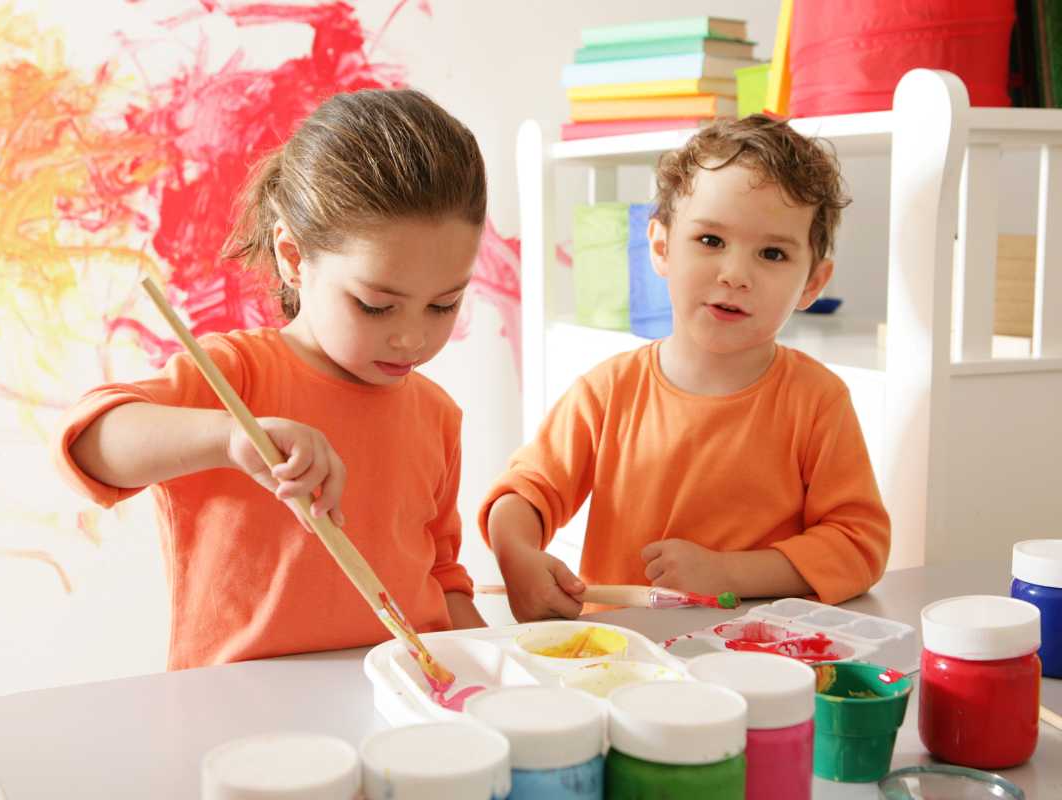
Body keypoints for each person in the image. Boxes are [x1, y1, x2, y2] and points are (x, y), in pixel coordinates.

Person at [54, 89, 487, 669]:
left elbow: (440, 572)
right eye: (376, 305)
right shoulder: (234, 376)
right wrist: (232, 438)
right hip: (244, 718)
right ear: (292, 256)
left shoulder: (436, 413)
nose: (412, 338)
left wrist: (497, 662)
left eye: (443, 306)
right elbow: (86, 446)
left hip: (401, 699)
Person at [482, 115, 890, 622]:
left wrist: (729, 573)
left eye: (772, 252)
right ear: (660, 248)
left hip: (757, 660)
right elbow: (524, 493)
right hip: (623, 657)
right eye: (711, 241)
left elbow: (859, 546)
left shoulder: (817, 400)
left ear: (812, 283)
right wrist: (517, 555)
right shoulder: (607, 392)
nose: (735, 274)